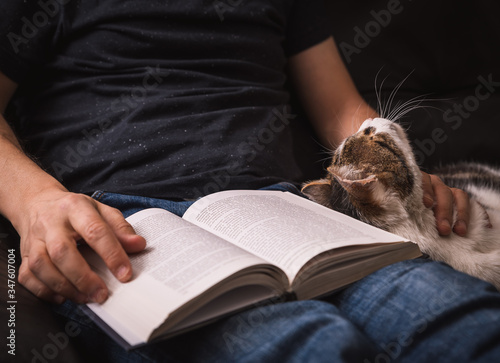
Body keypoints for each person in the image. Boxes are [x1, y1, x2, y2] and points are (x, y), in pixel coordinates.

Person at [0, 1, 498, 362]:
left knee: (456, 320)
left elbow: (340, 108)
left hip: (289, 211)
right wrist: (37, 202)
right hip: (125, 224)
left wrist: (404, 172)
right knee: (312, 347)